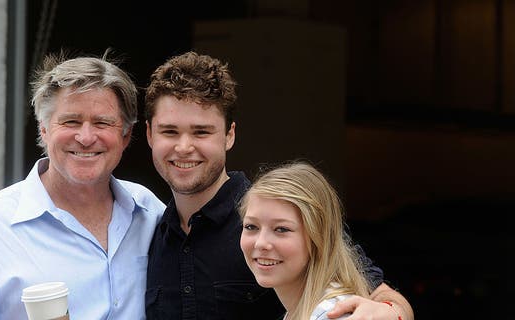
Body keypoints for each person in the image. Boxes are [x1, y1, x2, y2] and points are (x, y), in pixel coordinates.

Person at [144, 51, 414, 320]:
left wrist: (390, 312)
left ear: (229, 135)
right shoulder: (147, 234)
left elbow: (382, 297)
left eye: (201, 131)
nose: (184, 147)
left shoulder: (275, 214)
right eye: (169, 131)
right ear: (149, 135)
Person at [0, 53, 165, 319]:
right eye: (71, 121)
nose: (86, 137)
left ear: (125, 136)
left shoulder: (148, 212)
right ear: (44, 129)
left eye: (102, 123)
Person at [239, 161, 373, 320]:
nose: (260, 243)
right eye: (251, 226)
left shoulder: (334, 315)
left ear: (318, 236)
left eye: (281, 229)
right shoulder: (303, 311)